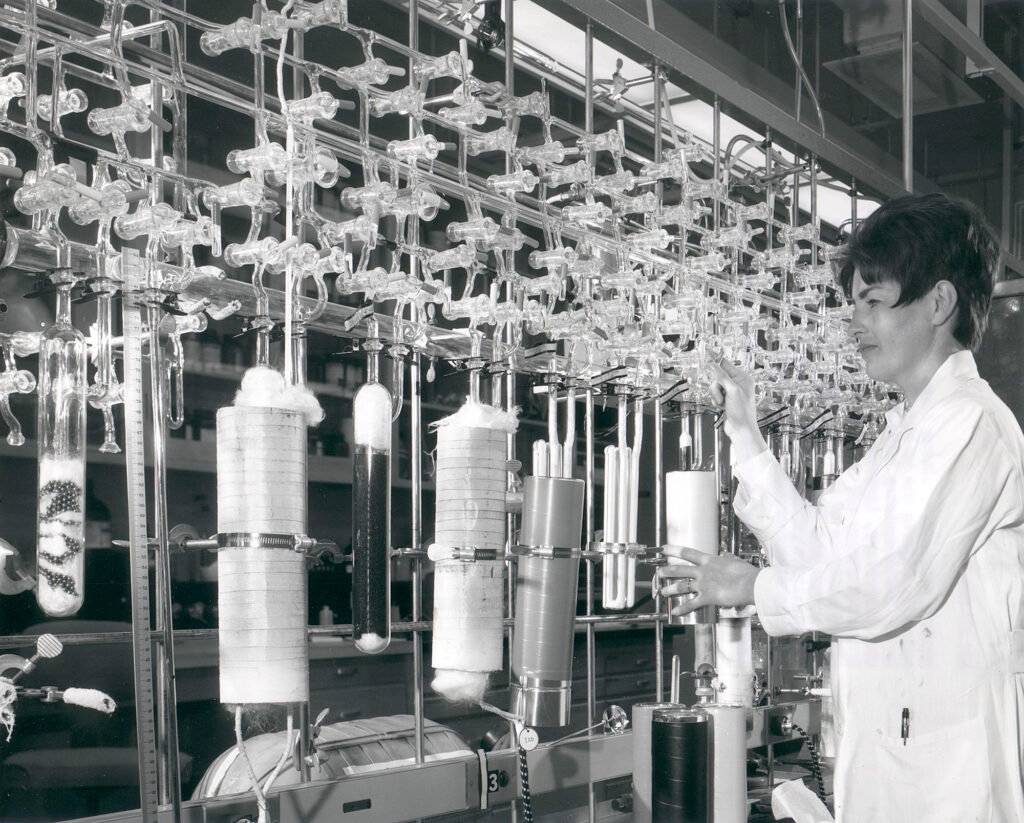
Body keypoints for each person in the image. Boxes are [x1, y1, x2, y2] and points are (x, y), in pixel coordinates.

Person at [659, 193, 1024, 822]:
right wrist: (744, 433)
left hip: (948, 780)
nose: (853, 323)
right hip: (887, 759)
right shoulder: (899, 437)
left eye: (874, 302)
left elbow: (893, 584)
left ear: (939, 303)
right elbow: (818, 549)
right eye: (853, 303)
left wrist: (756, 588)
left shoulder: (972, 427)